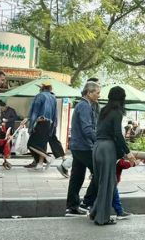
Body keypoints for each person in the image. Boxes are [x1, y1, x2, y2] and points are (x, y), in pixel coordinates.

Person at [90, 86, 133, 225]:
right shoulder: (117, 112)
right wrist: (128, 152)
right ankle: (102, 218)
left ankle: (95, 212)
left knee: (104, 182)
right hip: (107, 148)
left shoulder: (104, 110)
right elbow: (117, 134)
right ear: (122, 98)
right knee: (108, 184)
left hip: (97, 147)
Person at [66, 81, 101, 216]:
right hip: (84, 147)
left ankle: (72, 206)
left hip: (77, 146)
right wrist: (98, 141)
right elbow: (87, 129)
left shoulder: (83, 105)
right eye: (97, 93)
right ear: (89, 93)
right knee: (100, 172)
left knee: (77, 177)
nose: (99, 95)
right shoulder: (85, 106)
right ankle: (86, 202)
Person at [25, 82, 69, 176]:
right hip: (50, 123)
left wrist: (31, 125)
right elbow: (55, 113)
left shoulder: (40, 96)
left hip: (41, 122)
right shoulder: (53, 97)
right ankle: (41, 163)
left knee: (31, 144)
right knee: (45, 142)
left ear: (42, 88)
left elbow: (35, 112)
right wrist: (54, 124)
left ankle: (48, 157)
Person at [0, 101, 20, 169]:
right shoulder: (1, 112)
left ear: (5, 106)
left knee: (8, 141)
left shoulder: (11, 110)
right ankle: (1, 152)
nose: (1, 109)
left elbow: (15, 117)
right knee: (1, 140)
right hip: (2, 128)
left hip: (9, 128)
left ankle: (7, 153)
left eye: (2, 108)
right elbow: (0, 118)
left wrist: (8, 120)